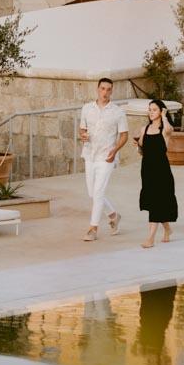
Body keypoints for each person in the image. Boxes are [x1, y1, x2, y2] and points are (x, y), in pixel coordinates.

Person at [78, 77, 128, 242]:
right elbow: (82, 129)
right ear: (97, 89)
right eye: (102, 89)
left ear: (112, 91)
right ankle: (114, 215)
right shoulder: (86, 108)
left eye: (108, 89)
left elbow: (124, 135)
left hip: (107, 156)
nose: (105, 92)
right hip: (89, 154)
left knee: (98, 192)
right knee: (92, 193)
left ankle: (93, 228)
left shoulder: (118, 112)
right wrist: (83, 136)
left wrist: (115, 150)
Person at [133, 97, 178, 248]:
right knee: (155, 203)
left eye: (154, 110)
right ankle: (168, 229)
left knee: (157, 203)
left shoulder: (164, 130)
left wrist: (165, 117)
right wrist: (137, 146)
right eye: (149, 110)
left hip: (162, 171)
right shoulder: (144, 130)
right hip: (147, 170)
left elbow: (169, 130)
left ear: (160, 112)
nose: (151, 112)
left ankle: (150, 238)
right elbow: (142, 151)